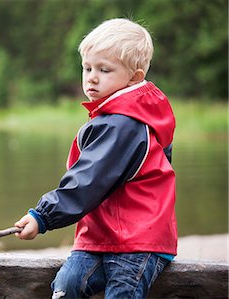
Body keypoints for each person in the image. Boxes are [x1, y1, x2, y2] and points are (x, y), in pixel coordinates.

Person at [14, 18, 177, 299]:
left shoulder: (124, 123)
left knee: (122, 292)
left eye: (104, 70)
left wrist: (43, 216)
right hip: (100, 236)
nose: (91, 77)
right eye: (87, 68)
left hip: (138, 240)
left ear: (134, 77)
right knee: (67, 285)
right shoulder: (116, 117)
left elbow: (89, 180)